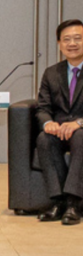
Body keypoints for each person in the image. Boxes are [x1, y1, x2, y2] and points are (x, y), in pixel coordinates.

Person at [36, 19, 83, 225]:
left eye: (78, 38)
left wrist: (79, 123)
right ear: (59, 44)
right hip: (60, 131)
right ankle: (58, 201)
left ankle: (74, 203)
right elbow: (43, 107)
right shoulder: (51, 72)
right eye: (67, 39)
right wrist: (49, 124)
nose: (72, 43)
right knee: (45, 138)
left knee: (81, 137)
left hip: (81, 130)